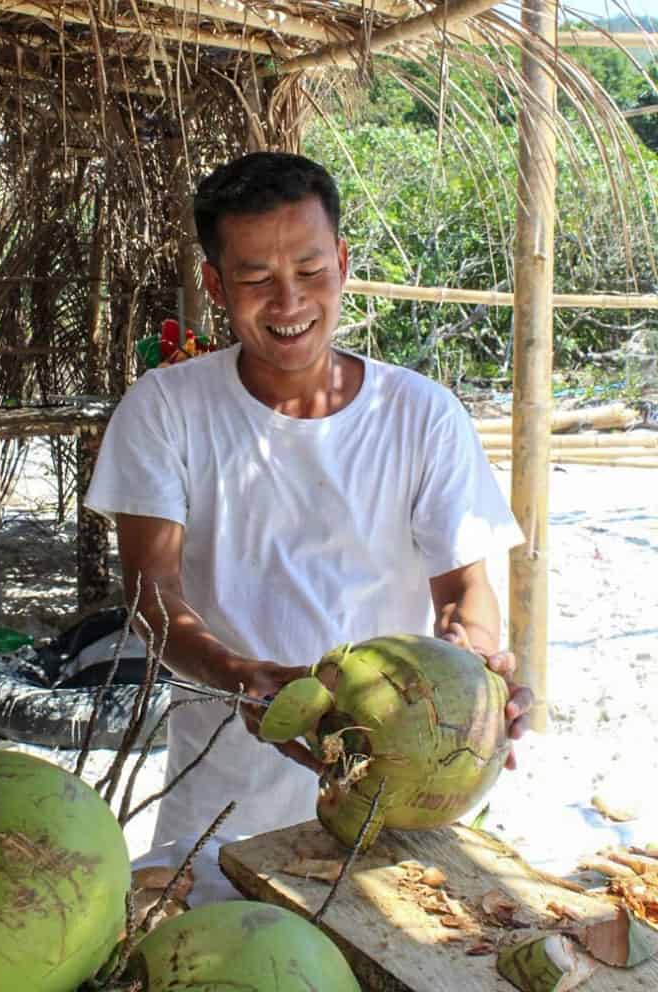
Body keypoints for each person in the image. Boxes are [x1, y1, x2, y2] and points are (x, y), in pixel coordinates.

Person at [86, 151, 532, 855]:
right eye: (257, 278)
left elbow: (463, 592)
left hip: (400, 792)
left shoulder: (422, 415)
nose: (289, 303)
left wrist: (471, 676)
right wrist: (237, 676)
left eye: (310, 272)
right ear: (215, 283)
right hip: (220, 799)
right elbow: (153, 593)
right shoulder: (165, 410)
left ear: (344, 261)